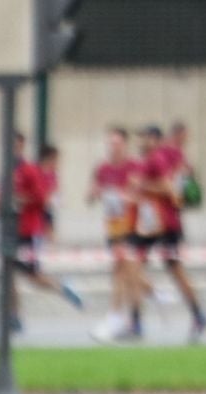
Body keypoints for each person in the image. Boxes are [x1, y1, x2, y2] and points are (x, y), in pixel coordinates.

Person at [134, 124, 206, 342]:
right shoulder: (172, 156)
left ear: (157, 139)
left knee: (136, 266)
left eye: (145, 138)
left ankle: (139, 317)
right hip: (158, 223)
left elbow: (169, 188)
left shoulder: (158, 157)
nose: (141, 143)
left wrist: (143, 186)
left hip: (161, 223)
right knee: (146, 267)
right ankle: (196, 314)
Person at [6, 137, 82, 329]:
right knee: (10, 272)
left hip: (29, 230)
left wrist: (22, 200)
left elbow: (42, 199)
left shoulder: (30, 170)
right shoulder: (9, 170)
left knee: (32, 276)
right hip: (13, 229)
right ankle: (14, 316)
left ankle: (61, 288)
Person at [89, 126, 145, 343]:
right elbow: (91, 194)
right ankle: (134, 320)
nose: (112, 148)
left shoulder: (134, 167)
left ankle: (117, 317)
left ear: (124, 145)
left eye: (116, 143)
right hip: (113, 227)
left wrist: (124, 196)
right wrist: (97, 193)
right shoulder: (102, 169)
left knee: (123, 272)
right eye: (110, 143)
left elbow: (140, 195)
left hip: (132, 226)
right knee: (126, 274)